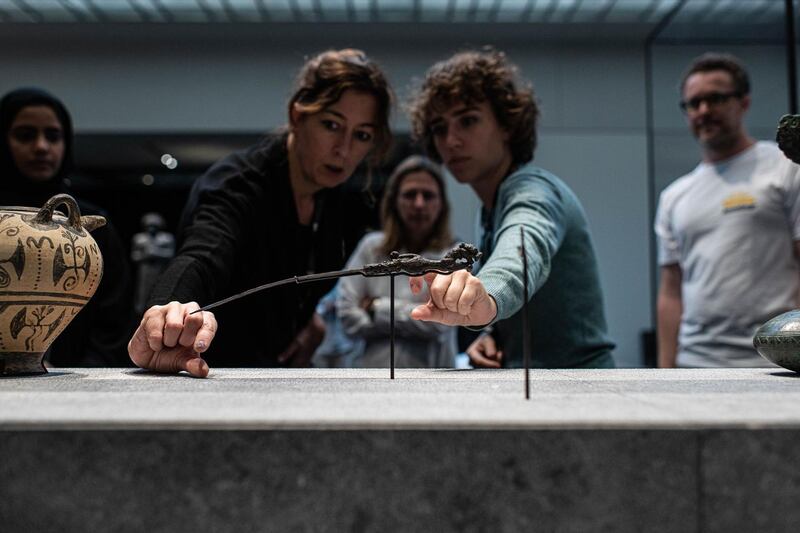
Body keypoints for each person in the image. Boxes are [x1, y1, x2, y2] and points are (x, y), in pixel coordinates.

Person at [128, 49, 393, 377]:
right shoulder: (237, 184)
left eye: (362, 135)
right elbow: (203, 254)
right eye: (331, 124)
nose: (344, 148)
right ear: (297, 115)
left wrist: (309, 320)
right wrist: (168, 309)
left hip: (277, 376)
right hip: (212, 376)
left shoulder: (335, 197)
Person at [406, 50, 615, 369]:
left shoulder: (533, 190)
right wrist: (494, 333)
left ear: (506, 125)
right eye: (438, 128)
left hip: (583, 392)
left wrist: (485, 296)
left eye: (468, 120)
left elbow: (522, 248)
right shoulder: (490, 207)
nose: (451, 140)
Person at [655, 53, 800, 368]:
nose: (704, 110)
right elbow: (671, 290)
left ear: (743, 103)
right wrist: (665, 371)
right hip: (694, 363)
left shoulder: (786, 167)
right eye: (694, 103)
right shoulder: (674, 196)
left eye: (716, 99)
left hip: (772, 364)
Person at [0, 87, 132, 366]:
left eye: (53, 135)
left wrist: (82, 379)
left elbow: (114, 321)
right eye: (25, 135)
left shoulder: (92, 223)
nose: (41, 147)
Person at [336, 155, 458, 368]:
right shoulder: (370, 248)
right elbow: (347, 317)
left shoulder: (453, 255)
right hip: (371, 377)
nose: (419, 204)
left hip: (433, 384)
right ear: (394, 201)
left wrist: (376, 307)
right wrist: (417, 312)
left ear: (441, 204)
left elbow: (440, 324)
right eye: (410, 195)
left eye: (428, 195)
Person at [131, 212, 175, 314]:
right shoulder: (139, 239)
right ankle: (140, 313)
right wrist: (146, 255)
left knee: (160, 291)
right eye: (149, 226)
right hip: (145, 271)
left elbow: (170, 255)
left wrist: (155, 253)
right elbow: (134, 256)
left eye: (154, 226)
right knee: (142, 294)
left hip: (161, 270)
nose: (151, 228)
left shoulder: (166, 238)